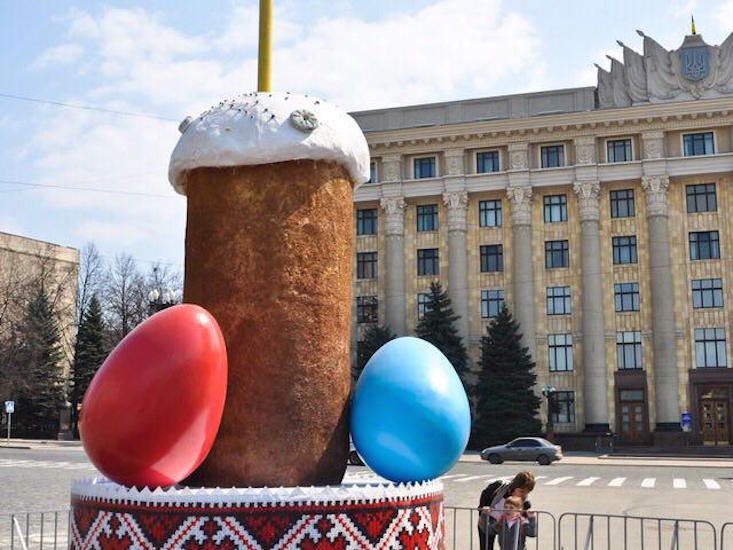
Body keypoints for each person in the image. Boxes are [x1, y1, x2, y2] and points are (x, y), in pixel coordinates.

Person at [477, 471, 536, 550]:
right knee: (486, 547)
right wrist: (483, 512)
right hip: (488, 520)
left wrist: (531, 518)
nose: (524, 494)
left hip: (506, 524)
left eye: (527, 492)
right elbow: (485, 494)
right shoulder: (499, 487)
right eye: (521, 491)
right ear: (514, 487)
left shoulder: (525, 503)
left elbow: (529, 530)